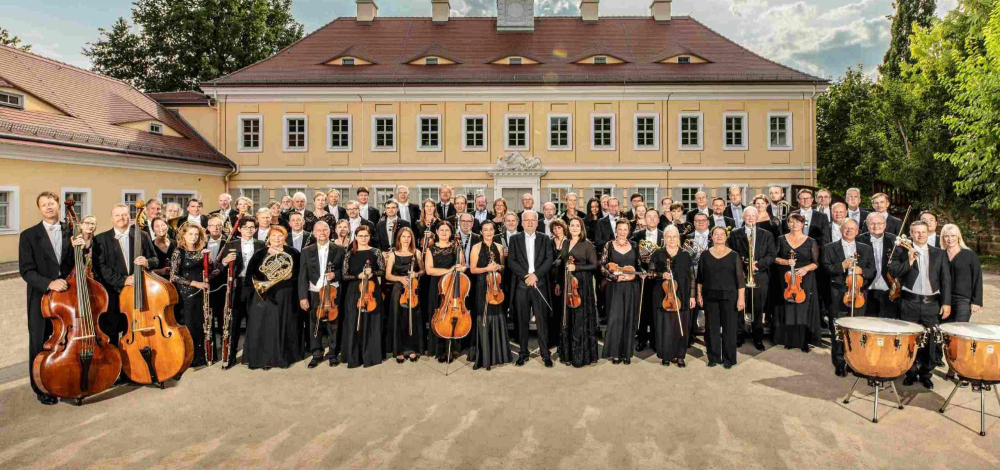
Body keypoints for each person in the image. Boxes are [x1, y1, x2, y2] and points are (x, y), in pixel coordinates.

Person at [19, 191, 80, 405]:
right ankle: (42, 386)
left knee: (66, 340)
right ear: (40, 209)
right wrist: (49, 283)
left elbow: (75, 263)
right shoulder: (28, 235)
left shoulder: (70, 230)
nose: (49, 207)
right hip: (41, 297)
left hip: (66, 297)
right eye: (44, 204)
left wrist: (82, 247)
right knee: (40, 340)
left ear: (58, 206)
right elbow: (26, 271)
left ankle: (66, 378)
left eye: (52, 203)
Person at [889, 220, 951, 389]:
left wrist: (946, 303)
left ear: (928, 232)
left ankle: (925, 374)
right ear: (911, 233)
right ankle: (910, 372)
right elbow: (893, 271)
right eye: (916, 232)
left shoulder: (939, 253)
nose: (920, 235)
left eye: (923, 232)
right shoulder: (901, 251)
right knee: (910, 339)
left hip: (932, 304)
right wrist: (909, 261)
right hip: (909, 302)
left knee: (930, 341)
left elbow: (946, 280)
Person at [93, 203, 158, 347]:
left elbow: (155, 259)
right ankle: (116, 364)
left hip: (138, 292)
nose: (121, 218)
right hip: (113, 293)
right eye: (117, 215)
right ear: (111, 218)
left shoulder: (142, 235)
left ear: (129, 216)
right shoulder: (100, 239)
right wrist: (123, 280)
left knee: (134, 328)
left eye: (124, 214)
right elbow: (101, 268)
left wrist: (147, 262)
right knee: (112, 331)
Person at [170, 224, 230, 367]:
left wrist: (216, 263)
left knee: (204, 324)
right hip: (187, 295)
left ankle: (206, 355)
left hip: (203, 294)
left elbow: (211, 274)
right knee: (190, 325)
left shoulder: (203, 251)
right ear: (183, 235)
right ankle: (191, 358)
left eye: (196, 234)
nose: (194, 237)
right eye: (190, 234)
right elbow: (174, 276)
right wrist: (196, 284)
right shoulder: (178, 252)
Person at [822, 219, 876, 377]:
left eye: (852, 228)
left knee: (856, 331)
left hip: (858, 294)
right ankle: (839, 362)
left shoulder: (866, 249)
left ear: (857, 231)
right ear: (841, 230)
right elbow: (826, 268)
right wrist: (842, 266)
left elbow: (872, 270)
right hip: (838, 294)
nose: (849, 231)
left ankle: (854, 362)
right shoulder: (829, 248)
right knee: (837, 331)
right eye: (846, 228)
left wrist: (862, 271)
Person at [245, 225, 302, 370]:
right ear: (269, 238)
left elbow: (300, 271)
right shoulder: (260, 253)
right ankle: (265, 359)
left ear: (284, 237)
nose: (277, 239)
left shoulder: (293, 252)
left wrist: (291, 275)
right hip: (266, 293)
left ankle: (283, 357)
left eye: (280, 236)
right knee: (266, 326)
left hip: (286, 293)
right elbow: (251, 274)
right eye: (274, 236)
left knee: (284, 324)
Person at [508, 210, 555, 367]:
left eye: (532, 220)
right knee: (522, 321)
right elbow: (512, 262)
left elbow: (549, 260)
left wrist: (536, 275)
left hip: (539, 284)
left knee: (542, 320)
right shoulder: (514, 239)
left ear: (537, 222)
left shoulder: (545, 238)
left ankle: (545, 354)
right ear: (522, 222)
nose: (529, 222)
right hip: (522, 285)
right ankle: (523, 353)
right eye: (526, 220)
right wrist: (526, 277)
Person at [727, 206, 776, 351]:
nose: (750, 218)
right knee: (740, 306)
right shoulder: (735, 234)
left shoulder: (766, 234)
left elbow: (772, 254)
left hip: (759, 275)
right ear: (743, 217)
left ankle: (758, 337)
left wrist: (758, 265)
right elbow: (731, 253)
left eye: (753, 215)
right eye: (747, 215)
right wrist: (741, 266)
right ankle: (739, 335)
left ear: (757, 217)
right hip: (741, 275)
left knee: (758, 308)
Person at [298, 221, 345, 368]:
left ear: (330, 231)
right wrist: (303, 297)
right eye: (319, 230)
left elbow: (344, 272)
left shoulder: (339, 249)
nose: (322, 232)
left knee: (333, 324)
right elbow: (302, 276)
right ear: (314, 232)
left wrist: (335, 274)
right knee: (314, 325)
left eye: (325, 229)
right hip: (314, 292)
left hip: (333, 291)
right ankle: (316, 354)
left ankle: (332, 354)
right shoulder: (306, 250)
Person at [697, 226, 746, 369]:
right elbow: (700, 278)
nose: (719, 236)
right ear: (711, 236)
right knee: (711, 328)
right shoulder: (705, 255)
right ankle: (713, 357)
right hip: (709, 296)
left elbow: (740, 280)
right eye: (716, 234)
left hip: (730, 297)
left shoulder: (734, 255)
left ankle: (729, 359)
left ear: (726, 237)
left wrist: (741, 299)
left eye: (722, 234)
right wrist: (699, 294)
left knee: (729, 329)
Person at [774, 211, 821, 352]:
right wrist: (786, 261)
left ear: (803, 224)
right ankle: (788, 340)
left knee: (802, 308)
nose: (795, 224)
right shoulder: (781, 239)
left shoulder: (811, 241)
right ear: (788, 223)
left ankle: (804, 341)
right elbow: (774, 258)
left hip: (804, 279)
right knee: (787, 308)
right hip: (786, 278)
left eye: (798, 221)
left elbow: (816, 263)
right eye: (792, 221)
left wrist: (806, 268)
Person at [941, 223, 983, 383]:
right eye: (946, 236)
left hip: (963, 300)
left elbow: (977, 278)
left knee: (961, 336)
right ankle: (951, 367)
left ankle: (962, 371)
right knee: (948, 336)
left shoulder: (969, 255)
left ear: (958, 236)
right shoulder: (941, 254)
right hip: (944, 300)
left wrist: (976, 300)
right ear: (943, 238)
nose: (950, 239)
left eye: (952, 235)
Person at [468, 220, 513, 370]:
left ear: (494, 231)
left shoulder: (499, 247)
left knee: (497, 315)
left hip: (496, 287)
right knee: (483, 316)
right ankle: (484, 356)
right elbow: (473, 269)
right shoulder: (476, 247)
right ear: (481, 232)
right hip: (481, 286)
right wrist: (487, 268)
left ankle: (498, 355)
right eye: (485, 230)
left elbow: (503, 268)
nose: (488, 232)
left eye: (491, 229)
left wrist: (498, 266)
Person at [339, 225, 385, 368]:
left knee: (371, 322)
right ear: (356, 237)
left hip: (371, 290)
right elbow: (345, 275)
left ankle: (371, 354)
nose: (364, 238)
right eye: (361, 236)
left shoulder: (376, 252)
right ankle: (354, 355)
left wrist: (373, 273)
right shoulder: (349, 253)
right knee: (354, 321)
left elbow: (382, 271)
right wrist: (358, 276)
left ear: (369, 237)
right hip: (354, 291)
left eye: (366, 236)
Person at [557, 217, 600, 367]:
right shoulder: (566, 243)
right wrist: (558, 282)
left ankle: (580, 356)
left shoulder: (587, 245)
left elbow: (595, 265)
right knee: (568, 317)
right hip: (567, 284)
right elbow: (562, 263)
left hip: (581, 284)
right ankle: (568, 354)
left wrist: (578, 268)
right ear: (568, 227)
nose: (574, 228)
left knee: (580, 318)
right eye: (572, 225)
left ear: (581, 228)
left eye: (577, 225)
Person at [650, 225, 696, 367]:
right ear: (665, 238)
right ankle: (665, 355)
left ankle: (680, 355)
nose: (671, 239)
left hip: (682, 294)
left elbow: (692, 277)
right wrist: (661, 274)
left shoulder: (685, 254)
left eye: (674, 236)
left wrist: (692, 296)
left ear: (678, 238)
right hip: (662, 296)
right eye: (669, 237)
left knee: (681, 325)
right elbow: (650, 273)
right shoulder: (658, 253)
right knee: (664, 326)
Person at [223, 217, 264, 369]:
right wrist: (225, 261)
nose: (249, 230)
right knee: (234, 322)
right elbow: (218, 268)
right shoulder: (230, 245)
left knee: (254, 322)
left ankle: (253, 356)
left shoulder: (261, 244)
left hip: (255, 286)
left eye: (252, 227)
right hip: (237, 286)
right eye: (246, 227)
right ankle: (231, 356)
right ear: (239, 229)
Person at [424, 221, 467, 363]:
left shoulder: (457, 247)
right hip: (437, 287)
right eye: (441, 230)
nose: (444, 232)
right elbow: (429, 270)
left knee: (452, 315)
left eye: (447, 230)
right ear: (436, 232)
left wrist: (460, 268)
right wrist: (449, 270)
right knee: (439, 316)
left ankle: (452, 347)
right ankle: (439, 349)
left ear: (451, 233)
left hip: (453, 285)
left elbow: (463, 265)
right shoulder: (431, 249)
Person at [600, 219, 641, 364]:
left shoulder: (635, 245)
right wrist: (614, 277)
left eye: (625, 229)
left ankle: (626, 353)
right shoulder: (609, 245)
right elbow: (602, 267)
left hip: (631, 287)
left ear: (628, 231)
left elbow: (639, 266)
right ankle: (615, 353)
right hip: (615, 286)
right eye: (620, 229)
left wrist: (642, 273)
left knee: (628, 318)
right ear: (616, 230)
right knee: (615, 319)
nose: (623, 232)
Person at [385, 227, 425, 364]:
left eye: (409, 237)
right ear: (399, 238)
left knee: (413, 318)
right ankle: (399, 350)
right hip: (398, 289)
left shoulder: (417, 253)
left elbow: (423, 270)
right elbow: (387, 275)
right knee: (399, 318)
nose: (406, 239)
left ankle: (413, 349)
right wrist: (400, 279)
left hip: (413, 289)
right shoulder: (393, 254)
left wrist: (416, 274)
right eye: (403, 237)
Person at [631, 209, 663, 352]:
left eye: (654, 217)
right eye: (648, 216)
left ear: (658, 220)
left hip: (658, 279)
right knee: (642, 310)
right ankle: (642, 339)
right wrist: (640, 270)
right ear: (644, 219)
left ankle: (656, 340)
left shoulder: (664, 236)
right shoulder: (637, 236)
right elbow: (633, 256)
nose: (651, 219)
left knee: (657, 309)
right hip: (642, 278)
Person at [857, 212, 899, 319]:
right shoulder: (859, 240)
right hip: (866, 288)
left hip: (889, 289)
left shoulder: (895, 240)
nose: (876, 226)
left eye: (880, 223)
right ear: (867, 225)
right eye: (872, 223)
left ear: (885, 225)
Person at [549, 218, 569, 349]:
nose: (557, 230)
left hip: (564, 278)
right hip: (551, 277)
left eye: (559, 228)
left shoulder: (568, 242)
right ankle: (553, 338)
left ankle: (564, 338)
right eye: (554, 229)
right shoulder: (549, 242)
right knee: (553, 309)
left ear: (563, 228)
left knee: (564, 308)